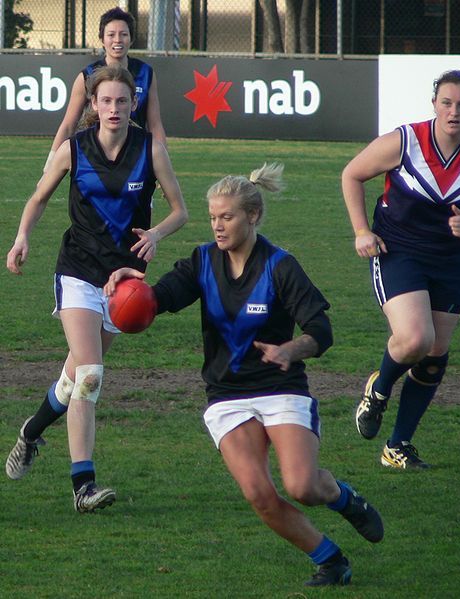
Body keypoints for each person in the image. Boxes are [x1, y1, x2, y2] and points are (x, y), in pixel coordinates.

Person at [104, 163, 383, 587]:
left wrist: (293, 348)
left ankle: (345, 498)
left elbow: (321, 330)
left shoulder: (281, 266)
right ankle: (331, 560)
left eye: (227, 217)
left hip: (280, 388)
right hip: (227, 395)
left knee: (302, 486)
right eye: (213, 217)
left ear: (252, 216)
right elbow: (158, 298)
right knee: (259, 494)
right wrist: (132, 289)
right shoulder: (201, 261)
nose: (217, 226)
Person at [5, 65, 188, 512]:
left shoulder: (151, 150)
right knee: (90, 374)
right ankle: (83, 485)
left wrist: (157, 234)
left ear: (133, 105)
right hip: (77, 272)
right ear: (92, 105)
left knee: (74, 377)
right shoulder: (73, 149)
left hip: (122, 282)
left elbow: (180, 211)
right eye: (105, 101)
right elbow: (39, 197)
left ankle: (31, 432)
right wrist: (22, 236)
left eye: (122, 101)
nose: (113, 108)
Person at [341, 70, 460, 469]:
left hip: (450, 259)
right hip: (399, 250)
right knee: (414, 339)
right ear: (434, 104)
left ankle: (398, 446)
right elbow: (352, 174)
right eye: (447, 103)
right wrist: (362, 231)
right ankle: (378, 388)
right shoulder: (405, 140)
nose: (454, 111)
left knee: (435, 352)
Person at [42, 7, 167, 175]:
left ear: (131, 39)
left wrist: (164, 166)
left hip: (136, 157)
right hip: (95, 158)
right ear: (102, 39)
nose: (118, 40)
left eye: (124, 34)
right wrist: (49, 166)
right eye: (111, 35)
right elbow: (68, 125)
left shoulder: (146, 73)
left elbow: (155, 124)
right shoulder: (87, 76)